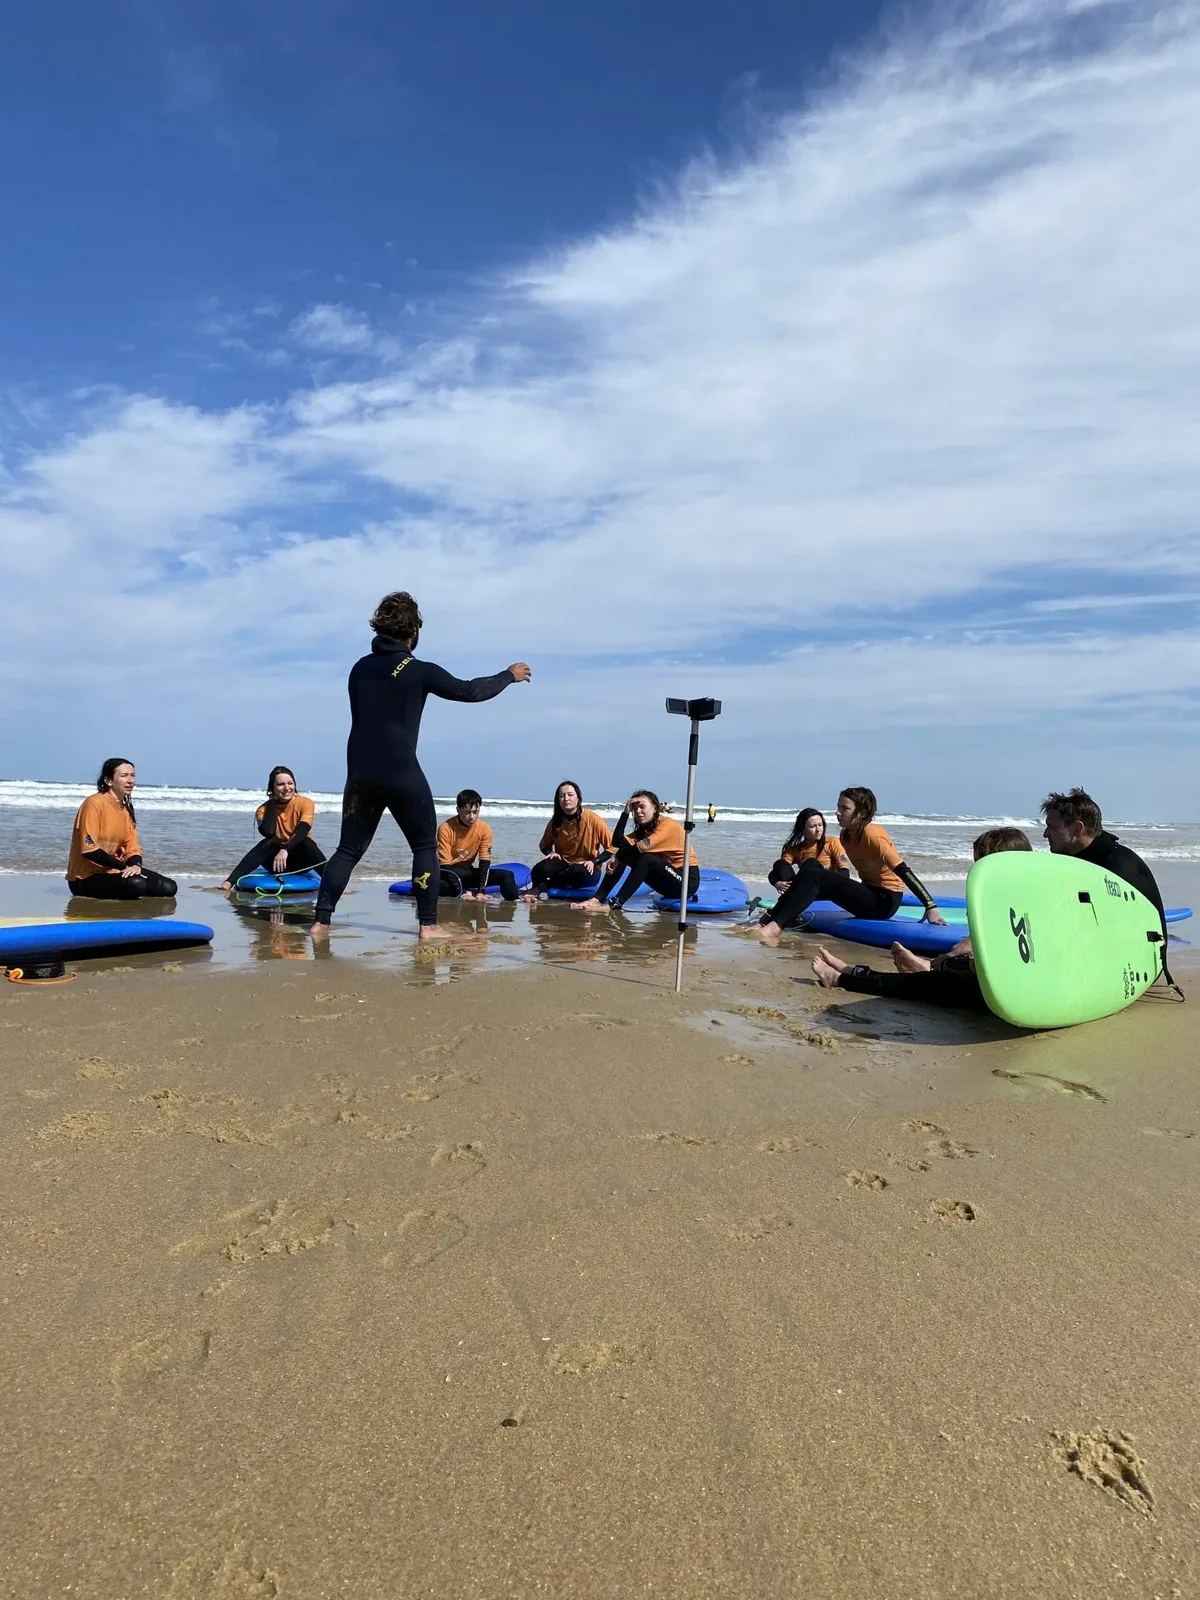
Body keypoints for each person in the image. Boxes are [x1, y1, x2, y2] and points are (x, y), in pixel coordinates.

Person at [311, 591, 530, 944]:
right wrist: (508, 675)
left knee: (348, 850)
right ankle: (428, 926)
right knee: (424, 847)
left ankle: (320, 923)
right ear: (413, 631)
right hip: (400, 772)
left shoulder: (358, 669)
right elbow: (471, 691)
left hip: (360, 774)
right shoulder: (417, 670)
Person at [811, 826, 1032, 1009]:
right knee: (936, 975)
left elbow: (987, 964)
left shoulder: (997, 903)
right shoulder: (1026, 898)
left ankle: (842, 978)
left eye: (979, 865)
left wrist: (946, 963)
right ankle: (855, 971)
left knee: (918, 984)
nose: (975, 872)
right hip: (1015, 991)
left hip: (996, 998)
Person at [757, 786, 944, 945]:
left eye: (844, 808)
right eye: (838, 807)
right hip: (868, 893)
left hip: (884, 902)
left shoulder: (873, 834)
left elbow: (903, 870)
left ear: (861, 813)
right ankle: (768, 920)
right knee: (810, 866)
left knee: (814, 876)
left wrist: (930, 906)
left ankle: (774, 928)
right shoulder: (846, 836)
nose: (837, 812)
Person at [1041, 788, 1166, 935]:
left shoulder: (1118, 867)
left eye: (1052, 827)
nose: (1045, 834)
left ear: (1077, 828)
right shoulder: (1078, 859)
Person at [66, 759, 178, 900]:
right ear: (108, 781)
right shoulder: (94, 804)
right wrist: (123, 867)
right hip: (84, 879)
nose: (130, 780)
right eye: (124, 775)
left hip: (114, 871)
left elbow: (132, 848)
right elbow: (89, 850)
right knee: (137, 884)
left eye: (132, 775)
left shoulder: (126, 810)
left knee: (168, 887)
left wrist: (135, 866)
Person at [572, 790, 699, 913]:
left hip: (686, 883)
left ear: (655, 808)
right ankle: (597, 899)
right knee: (624, 852)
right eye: (635, 808)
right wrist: (625, 812)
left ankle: (615, 904)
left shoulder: (666, 826)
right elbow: (617, 842)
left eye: (642, 806)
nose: (638, 811)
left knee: (644, 858)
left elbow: (640, 848)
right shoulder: (644, 830)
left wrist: (618, 857)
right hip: (667, 883)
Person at [219, 766, 327, 891]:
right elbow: (268, 832)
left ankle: (333, 882)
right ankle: (229, 881)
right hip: (275, 864)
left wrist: (285, 849)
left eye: (290, 783)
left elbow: (303, 830)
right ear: (272, 788)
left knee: (306, 842)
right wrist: (272, 804)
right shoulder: (262, 810)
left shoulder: (305, 803)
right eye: (281, 784)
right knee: (271, 841)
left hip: (301, 861)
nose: (287, 788)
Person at [526, 781, 613, 898]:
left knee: (578, 871)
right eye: (562, 796)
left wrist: (594, 861)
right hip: (563, 865)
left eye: (570, 795)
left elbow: (612, 846)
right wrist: (550, 853)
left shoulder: (591, 818)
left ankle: (541, 887)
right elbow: (544, 845)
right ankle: (536, 890)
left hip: (586, 868)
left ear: (578, 798)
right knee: (539, 868)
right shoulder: (556, 820)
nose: (566, 798)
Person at [437, 789, 522, 901]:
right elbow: (445, 865)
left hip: (467, 872)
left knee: (507, 876)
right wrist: (461, 893)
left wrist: (481, 891)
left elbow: (484, 861)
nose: (472, 817)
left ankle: (517, 901)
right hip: (447, 873)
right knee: (438, 886)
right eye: (467, 813)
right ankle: (464, 890)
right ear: (458, 810)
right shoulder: (445, 828)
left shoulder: (484, 828)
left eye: (475, 812)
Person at [768, 807, 850, 891]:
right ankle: (792, 895)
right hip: (805, 889)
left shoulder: (832, 842)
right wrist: (777, 883)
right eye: (812, 826)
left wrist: (826, 875)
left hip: (826, 888)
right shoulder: (796, 849)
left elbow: (845, 873)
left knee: (811, 864)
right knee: (780, 863)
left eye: (820, 825)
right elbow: (776, 871)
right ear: (803, 829)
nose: (818, 830)